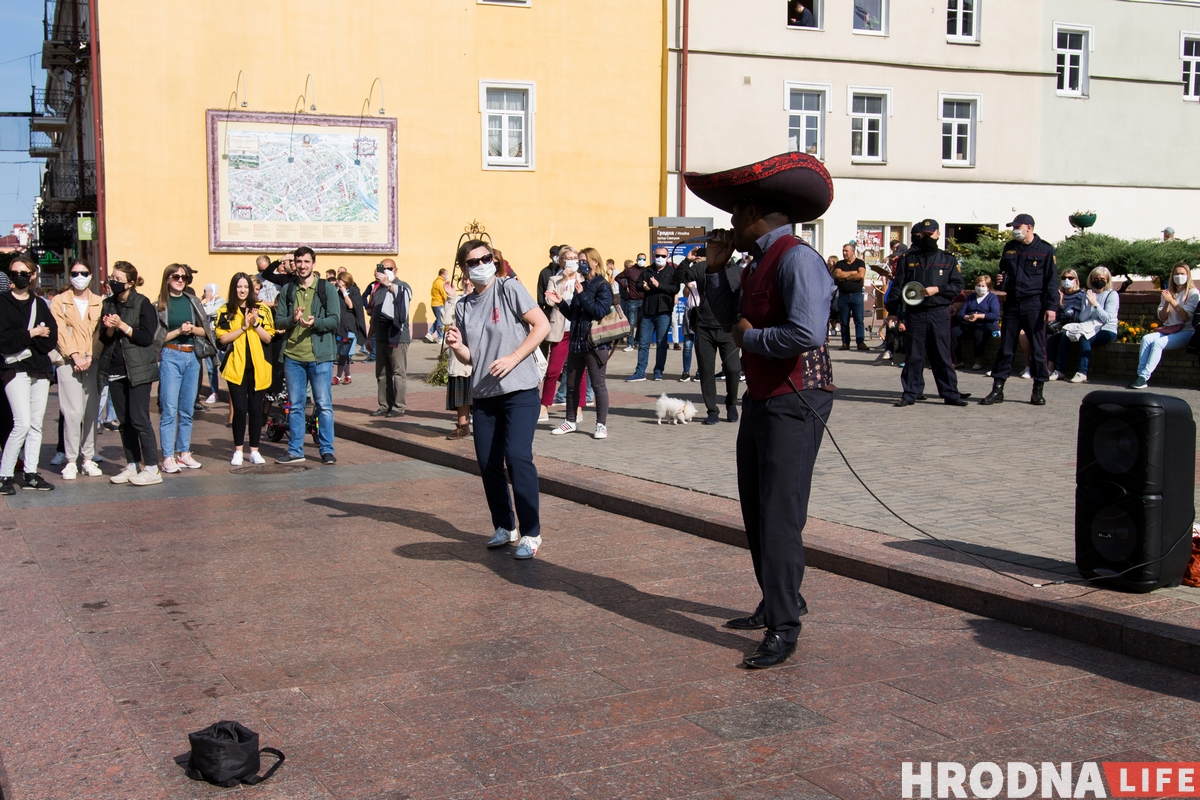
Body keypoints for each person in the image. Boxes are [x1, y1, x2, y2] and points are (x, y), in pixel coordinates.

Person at [688, 151, 835, 669]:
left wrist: (756, 337)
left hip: (796, 400)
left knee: (779, 513)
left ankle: (784, 626)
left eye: (734, 216)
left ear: (753, 212)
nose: (729, 226)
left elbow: (806, 333)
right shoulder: (754, 262)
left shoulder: (798, 257)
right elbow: (732, 318)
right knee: (756, 505)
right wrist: (715, 271)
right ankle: (779, 597)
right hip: (763, 398)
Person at [445, 239, 551, 559]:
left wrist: (513, 357)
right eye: (472, 262)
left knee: (517, 457)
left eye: (485, 259)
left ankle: (531, 533)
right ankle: (505, 525)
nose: (480, 265)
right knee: (489, 464)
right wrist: (456, 346)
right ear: (464, 268)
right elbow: (470, 357)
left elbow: (541, 325)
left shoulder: (509, 289)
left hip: (519, 390)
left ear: (493, 260)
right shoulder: (463, 306)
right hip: (485, 394)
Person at [884, 220, 968, 407]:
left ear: (938, 234)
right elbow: (898, 286)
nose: (927, 238)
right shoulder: (909, 259)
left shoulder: (948, 259)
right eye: (923, 235)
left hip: (939, 311)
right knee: (914, 355)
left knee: (941, 355)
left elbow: (957, 286)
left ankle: (950, 393)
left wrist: (937, 289)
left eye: (930, 235)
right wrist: (893, 311)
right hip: (916, 313)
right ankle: (910, 393)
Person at [980, 214, 1057, 406]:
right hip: (1013, 303)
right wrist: (1001, 280)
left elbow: (1051, 281)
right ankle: (998, 389)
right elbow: (1003, 271)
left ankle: (1037, 390)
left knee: (1038, 348)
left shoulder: (1045, 250)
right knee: (1006, 347)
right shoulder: (1010, 248)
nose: (1014, 229)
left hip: (1035, 304)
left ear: (1029, 227)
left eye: (1017, 226)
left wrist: (1051, 307)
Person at [99, 262, 164, 486]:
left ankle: (153, 468)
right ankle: (132, 464)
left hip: (138, 369)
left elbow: (147, 337)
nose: (113, 282)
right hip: (116, 368)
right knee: (124, 422)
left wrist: (122, 325)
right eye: (111, 278)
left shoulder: (142, 303)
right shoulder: (108, 303)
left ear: (130, 282)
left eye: (118, 279)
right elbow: (104, 338)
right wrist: (109, 326)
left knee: (139, 419)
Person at [274, 246, 341, 465]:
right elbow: (278, 321)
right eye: (298, 261)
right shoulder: (288, 290)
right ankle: (295, 450)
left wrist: (316, 323)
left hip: (320, 356)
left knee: (323, 404)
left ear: (313, 263)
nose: (302, 266)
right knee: (295, 405)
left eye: (306, 261)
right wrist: (293, 320)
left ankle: (327, 449)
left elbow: (334, 320)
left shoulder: (326, 289)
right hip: (293, 356)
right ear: (294, 263)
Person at [0, 254, 58, 493]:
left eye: (24, 273)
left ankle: (30, 474)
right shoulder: (3, 302)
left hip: (41, 370)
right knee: (21, 423)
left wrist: (24, 337)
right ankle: (4, 475)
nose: (19, 277)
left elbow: (50, 339)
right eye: (14, 273)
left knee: (36, 424)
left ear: (33, 275)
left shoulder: (40, 304)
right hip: (15, 369)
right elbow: (4, 341)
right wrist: (32, 334)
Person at [156, 264, 217, 473]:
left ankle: (183, 452)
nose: (180, 280)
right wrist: (178, 331)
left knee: (187, 409)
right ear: (167, 279)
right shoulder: (160, 305)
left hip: (192, 356)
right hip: (171, 355)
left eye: (184, 277)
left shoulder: (192, 301)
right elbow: (157, 339)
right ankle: (167, 456)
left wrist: (192, 329)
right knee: (169, 409)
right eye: (176, 276)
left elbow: (206, 331)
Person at [549, 247, 613, 439]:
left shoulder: (603, 285)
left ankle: (601, 425)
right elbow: (574, 315)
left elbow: (600, 311)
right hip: (577, 341)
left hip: (596, 343)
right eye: (580, 261)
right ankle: (570, 421)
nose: (580, 264)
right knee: (571, 384)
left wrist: (582, 294)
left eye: (584, 260)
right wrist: (561, 303)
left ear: (595, 262)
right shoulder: (581, 283)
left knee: (598, 384)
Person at [49, 258, 105, 480]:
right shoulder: (59, 301)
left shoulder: (99, 302)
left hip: (93, 360)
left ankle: (88, 458)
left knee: (91, 411)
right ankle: (71, 459)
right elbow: (60, 331)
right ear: (69, 276)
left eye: (83, 273)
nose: (79, 277)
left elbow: (100, 333)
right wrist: (74, 355)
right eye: (75, 273)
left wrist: (91, 355)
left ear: (90, 275)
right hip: (68, 361)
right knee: (72, 412)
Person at [214, 273, 274, 465]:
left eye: (246, 287)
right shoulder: (225, 310)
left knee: (256, 410)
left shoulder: (262, 309)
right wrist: (242, 327)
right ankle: (238, 450)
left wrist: (255, 323)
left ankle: (254, 450)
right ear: (234, 288)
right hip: (235, 367)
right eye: (239, 287)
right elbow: (222, 339)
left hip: (258, 367)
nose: (242, 290)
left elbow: (268, 338)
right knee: (239, 409)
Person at [680, 247, 742, 424]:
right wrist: (688, 260)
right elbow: (680, 277)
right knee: (706, 371)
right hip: (704, 326)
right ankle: (712, 410)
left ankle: (731, 403)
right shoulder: (703, 268)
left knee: (732, 368)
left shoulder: (739, 271)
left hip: (729, 329)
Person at [1130, 264, 1199, 389]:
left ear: (1188, 276)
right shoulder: (1168, 293)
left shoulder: (1193, 293)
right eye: (1176, 274)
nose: (1179, 276)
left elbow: (1185, 316)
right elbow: (1163, 317)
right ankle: (1140, 376)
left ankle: (1144, 376)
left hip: (1186, 332)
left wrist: (1172, 301)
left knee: (1158, 343)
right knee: (1146, 339)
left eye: (1182, 274)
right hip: (1169, 329)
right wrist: (1167, 302)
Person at [539, 248, 586, 422]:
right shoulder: (554, 279)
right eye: (568, 258)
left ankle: (578, 408)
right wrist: (564, 281)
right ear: (562, 261)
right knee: (553, 370)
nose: (572, 261)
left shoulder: (583, 279)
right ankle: (544, 407)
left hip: (578, 330)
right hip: (561, 330)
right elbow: (550, 301)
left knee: (580, 371)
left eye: (575, 258)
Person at [1056, 266, 1119, 384]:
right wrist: (1089, 305)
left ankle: (1082, 372)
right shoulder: (1087, 294)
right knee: (1066, 333)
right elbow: (1082, 318)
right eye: (1096, 278)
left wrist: (1096, 304)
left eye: (1102, 278)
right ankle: (1060, 370)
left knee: (1085, 337)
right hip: (1089, 326)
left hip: (1106, 330)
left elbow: (1107, 319)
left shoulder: (1112, 295)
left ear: (1107, 280)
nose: (1098, 280)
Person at [627, 246, 679, 381]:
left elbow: (675, 288)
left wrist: (658, 285)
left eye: (663, 256)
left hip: (664, 312)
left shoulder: (672, 271)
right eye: (657, 256)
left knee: (662, 343)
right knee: (643, 343)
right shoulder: (647, 270)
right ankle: (640, 372)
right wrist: (643, 287)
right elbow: (638, 283)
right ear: (653, 256)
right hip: (648, 312)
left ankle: (658, 371)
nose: (660, 258)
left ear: (667, 257)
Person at [369, 258, 411, 417]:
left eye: (389, 268)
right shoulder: (377, 289)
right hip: (380, 336)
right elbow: (374, 315)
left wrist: (388, 283)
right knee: (381, 373)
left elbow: (404, 296)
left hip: (397, 337)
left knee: (398, 373)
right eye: (382, 268)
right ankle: (384, 405)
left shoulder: (402, 286)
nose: (385, 270)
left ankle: (399, 407)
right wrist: (368, 337)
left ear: (395, 270)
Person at [444, 276, 474, 439]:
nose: (467, 283)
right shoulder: (458, 300)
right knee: (462, 390)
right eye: (465, 280)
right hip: (460, 356)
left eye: (470, 280)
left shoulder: (483, 298)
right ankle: (463, 426)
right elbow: (446, 320)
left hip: (480, 352)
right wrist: (450, 298)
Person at [953, 274, 1001, 371]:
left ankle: (978, 360)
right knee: (954, 332)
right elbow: (961, 313)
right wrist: (967, 317)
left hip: (986, 325)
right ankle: (957, 360)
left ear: (988, 287)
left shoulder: (992, 298)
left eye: (983, 286)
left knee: (978, 332)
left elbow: (994, 315)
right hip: (970, 323)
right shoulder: (971, 297)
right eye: (978, 285)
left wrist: (979, 316)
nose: (980, 288)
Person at [1046, 269, 1087, 379]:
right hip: (1058, 325)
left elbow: (1077, 317)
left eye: (1070, 278)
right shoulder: (1058, 294)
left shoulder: (1081, 295)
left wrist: (1062, 305)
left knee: (1053, 338)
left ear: (1076, 280)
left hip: (1073, 326)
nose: (1066, 280)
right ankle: (1035, 366)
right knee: (1042, 334)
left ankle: (1052, 369)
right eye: (1064, 278)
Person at [832, 242, 868, 351]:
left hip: (856, 295)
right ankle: (845, 343)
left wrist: (845, 276)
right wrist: (853, 274)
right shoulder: (839, 264)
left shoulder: (860, 262)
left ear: (853, 252)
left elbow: (861, 275)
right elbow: (838, 275)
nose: (844, 253)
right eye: (843, 251)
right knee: (844, 320)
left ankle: (860, 342)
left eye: (846, 251)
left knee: (859, 320)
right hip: (843, 296)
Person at [334, 271, 367, 385]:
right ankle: (347, 376)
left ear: (346, 281)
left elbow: (351, 305)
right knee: (343, 352)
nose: (339, 281)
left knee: (345, 352)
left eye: (341, 279)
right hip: (340, 326)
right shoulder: (336, 291)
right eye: (338, 279)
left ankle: (338, 376)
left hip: (350, 326)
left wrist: (344, 292)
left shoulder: (354, 291)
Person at [200, 283, 225, 404]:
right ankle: (214, 392)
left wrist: (208, 300)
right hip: (208, 335)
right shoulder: (206, 303)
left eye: (207, 291)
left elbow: (209, 312)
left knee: (224, 363)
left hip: (218, 336)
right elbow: (201, 313)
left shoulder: (221, 302)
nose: (206, 294)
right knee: (210, 366)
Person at [616, 258, 644, 351]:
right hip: (631, 300)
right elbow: (617, 278)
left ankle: (638, 342)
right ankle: (630, 343)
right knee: (631, 323)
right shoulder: (628, 273)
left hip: (643, 299)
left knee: (641, 322)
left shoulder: (643, 270)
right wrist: (626, 287)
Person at [425, 269, 449, 343]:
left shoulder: (436, 281)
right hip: (439, 304)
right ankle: (440, 338)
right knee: (440, 321)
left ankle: (430, 333)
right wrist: (448, 302)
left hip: (435, 304)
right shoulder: (440, 282)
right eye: (446, 274)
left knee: (439, 319)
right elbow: (444, 294)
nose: (447, 276)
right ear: (443, 274)